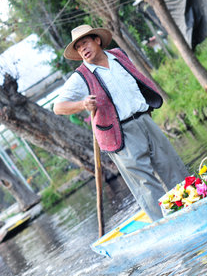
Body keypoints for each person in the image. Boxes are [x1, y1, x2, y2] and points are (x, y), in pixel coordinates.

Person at [53, 24, 189, 221]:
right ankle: (167, 222)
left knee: (172, 167)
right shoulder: (81, 77)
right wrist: (82, 104)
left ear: (97, 40)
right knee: (146, 185)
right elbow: (58, 107)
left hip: (144, 120)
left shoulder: (118, 56)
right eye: (79, 47)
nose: (83, 49)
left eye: (85, 43)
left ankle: (194, 203)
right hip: (119, 134)